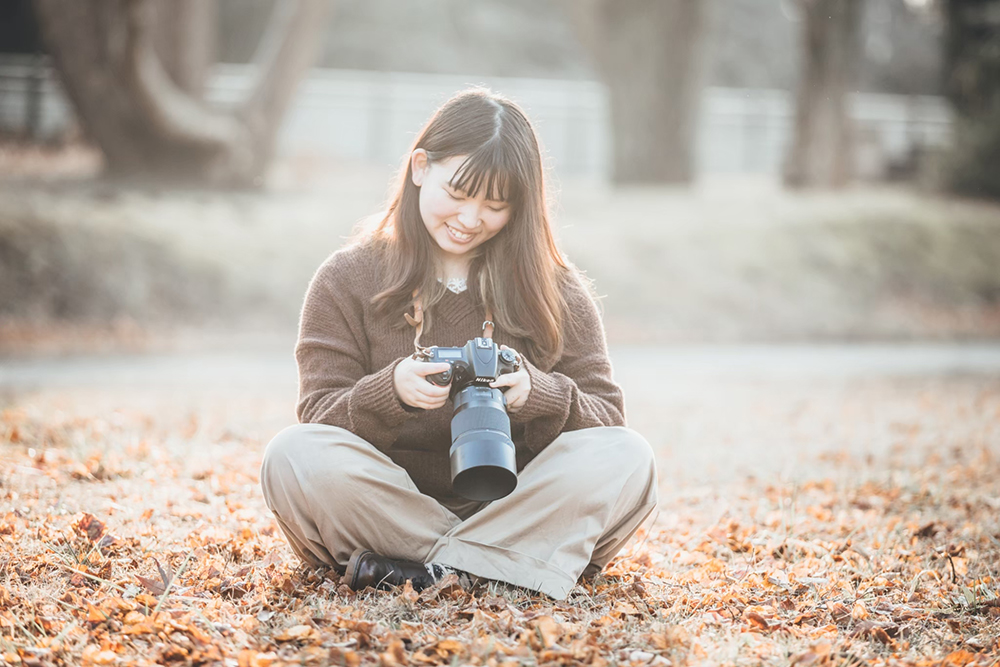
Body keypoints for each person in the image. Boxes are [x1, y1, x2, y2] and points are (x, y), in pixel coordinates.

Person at [259, 88, 657, 600]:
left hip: (519, 508)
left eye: (495, 206)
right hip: (389, 508)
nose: (470, 220)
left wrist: (540, 394)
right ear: (420, 167)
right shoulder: (347, 277)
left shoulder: (554, 287)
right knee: (292, 454)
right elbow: (317, 413)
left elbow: (608, 417)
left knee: (630, 456)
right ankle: (501, 571)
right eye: (459, 194)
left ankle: (421, 575)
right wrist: (391, 391)